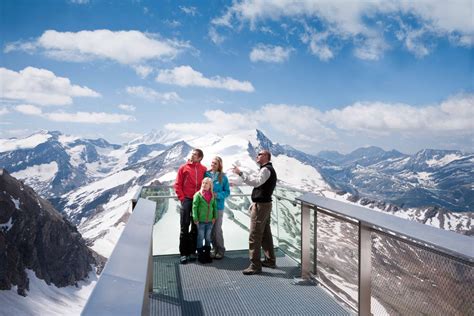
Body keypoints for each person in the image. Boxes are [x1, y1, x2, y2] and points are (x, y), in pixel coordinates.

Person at [232, 149, 277, 275]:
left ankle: (255, 265)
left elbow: (256, 182)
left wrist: (240, 173)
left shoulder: (266, 169)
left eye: (260, 154)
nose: (257, 156)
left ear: (267, 157)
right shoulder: (267, 169)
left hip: (261, 206)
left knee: (255, 235)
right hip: (265, 204)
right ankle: (270, 260)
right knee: (265, 234)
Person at [174, 148, 207, 264]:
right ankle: (183, 253)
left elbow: (207, 182)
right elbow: (177, 184)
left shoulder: (203, 169)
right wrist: (182, 199)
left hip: (198, 200)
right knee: (184, 226)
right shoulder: (183, 168)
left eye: (194, 155)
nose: (192, 156)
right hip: (187, 200)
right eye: (191, 154)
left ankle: (192, 252)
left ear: (200, 158)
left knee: (195, 226)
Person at [206, 156, 230, 259]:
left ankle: (221, 250)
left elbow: (227, 192)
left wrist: (218, 195)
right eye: (212, 163)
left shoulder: (223, 177)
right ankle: (214, 249)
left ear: (219, 165)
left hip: (218, 206)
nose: (213, 165)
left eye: (215, 163)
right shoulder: (206, 174)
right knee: (210, 229)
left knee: (217, 229)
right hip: (207, 207)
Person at [193, 177, 217, 264]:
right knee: (200, 237)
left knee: (208, 238)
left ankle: (207, 254)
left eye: (206, 183)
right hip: (201, 221)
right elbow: (194, 207)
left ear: (210, 186)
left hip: (210, 221)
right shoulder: (198, 195)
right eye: (203, 183)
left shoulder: (212, 195)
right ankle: (200, 255)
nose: (204, 185)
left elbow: (214, 207)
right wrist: (195, 218)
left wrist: (215, 216)